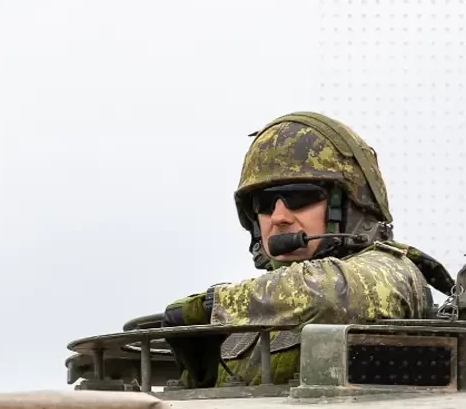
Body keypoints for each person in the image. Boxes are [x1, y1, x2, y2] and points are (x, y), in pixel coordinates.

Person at [161, 111, 453, 388]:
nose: (279, 217)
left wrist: (211, 306)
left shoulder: (392, 270)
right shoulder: (250, 314)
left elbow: (329, 294)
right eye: (264, 203)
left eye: (299, 197)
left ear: (349, 205)